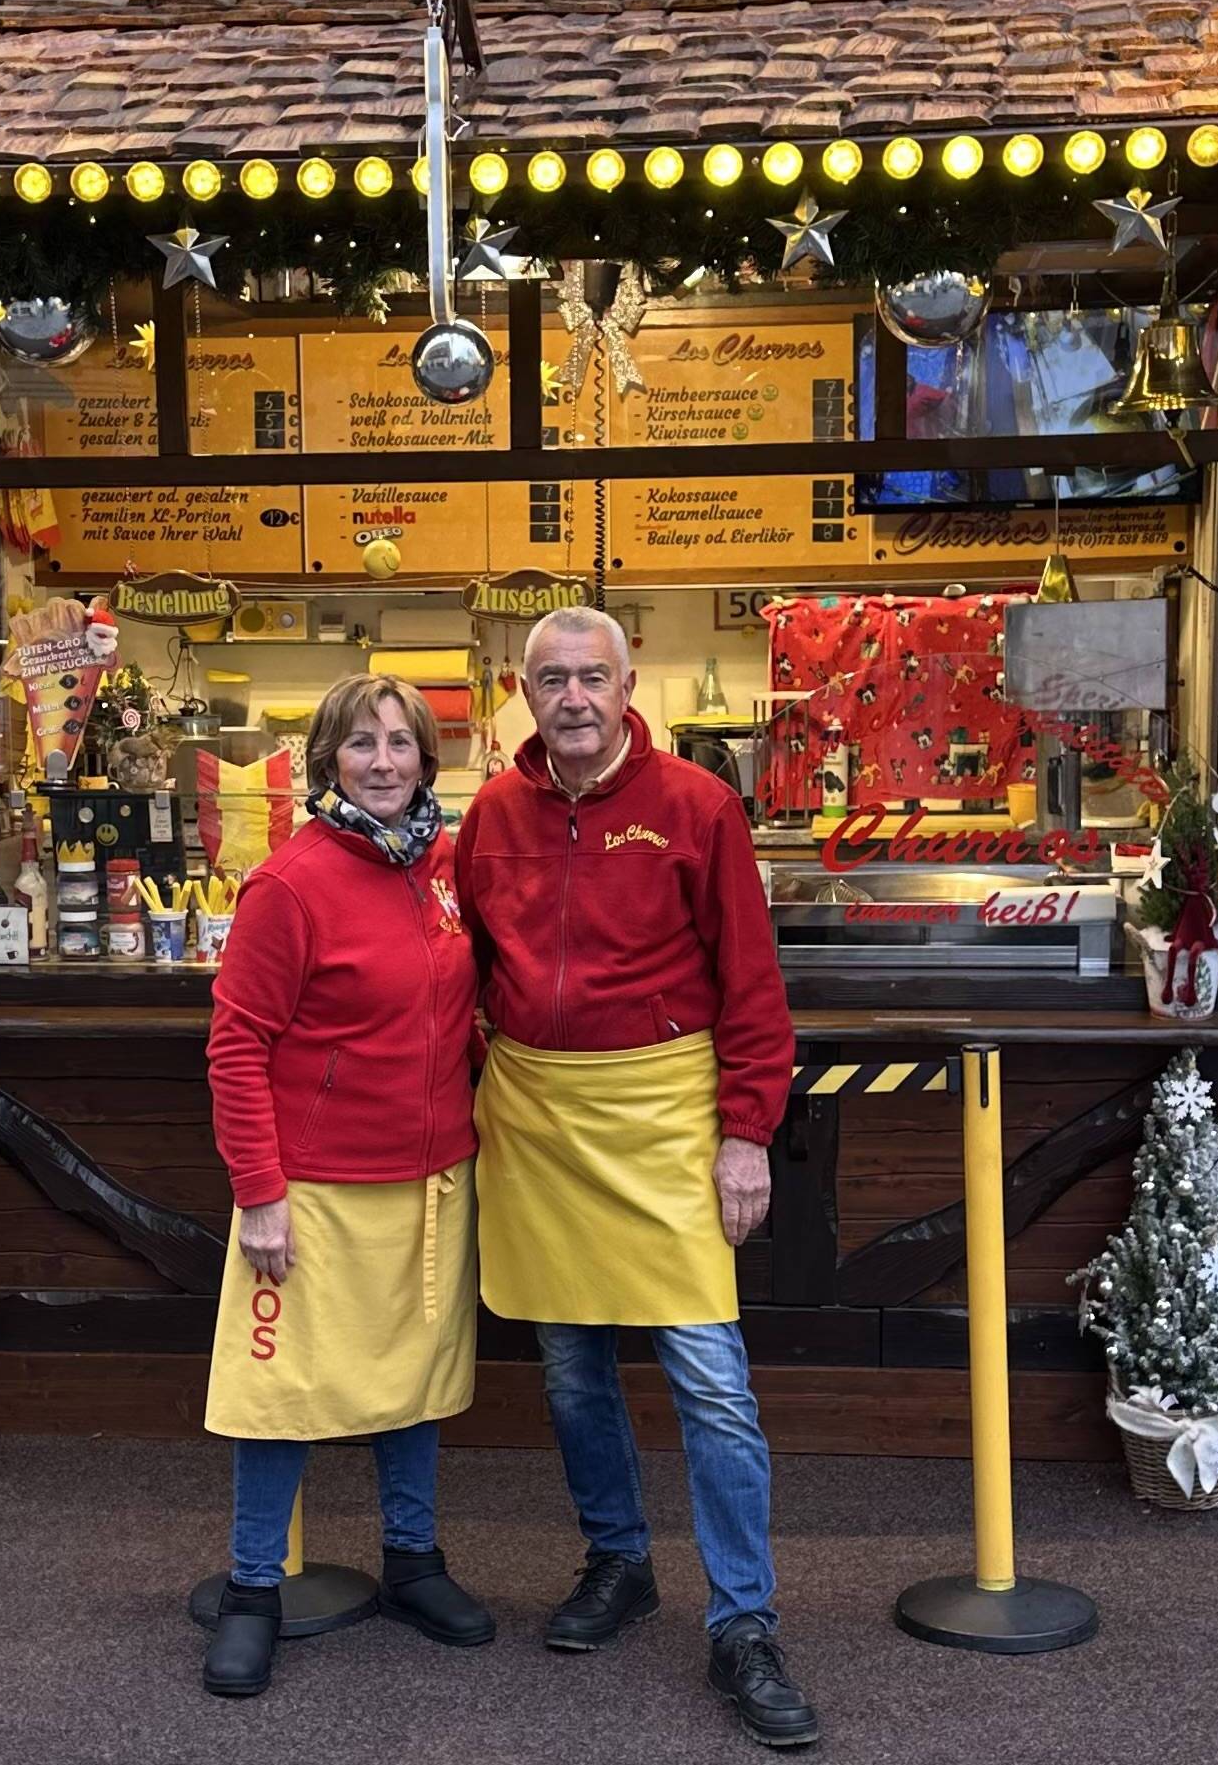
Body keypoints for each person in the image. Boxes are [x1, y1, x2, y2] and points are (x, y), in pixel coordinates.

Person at [453, 606, 818, 1751]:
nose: (572, 698)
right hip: (538, 1121)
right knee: (569, 1373)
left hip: (665, 1120)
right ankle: (618, 1563)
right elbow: (460, 967)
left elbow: (753, 986)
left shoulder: (697, 808)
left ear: (627, 686)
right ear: (525, 691)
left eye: (591, 679)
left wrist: (746, 1131)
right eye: (551, 680)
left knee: (711, 1381)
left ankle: (744, 1622)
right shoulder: (491, 816)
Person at [199, 673, 491, 1698]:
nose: (382, 761)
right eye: (361, 743)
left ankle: (412, 1562)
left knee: (412, 1384)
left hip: (431, 1181)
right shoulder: (289, 884)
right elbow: (235, 1047)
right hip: (313, 1188)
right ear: (326, 759)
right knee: (277, 1394)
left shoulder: (446, 869)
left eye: (400, 743)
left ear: (425, 758)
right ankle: (249, 1591)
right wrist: (260, 1191)